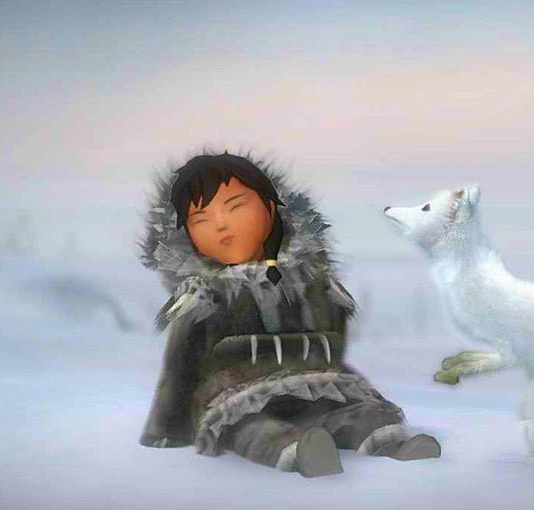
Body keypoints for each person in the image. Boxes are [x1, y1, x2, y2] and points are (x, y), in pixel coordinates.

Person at [137, 151, 440, 477]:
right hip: (236, 396)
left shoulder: (309, 281)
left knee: (359, 411)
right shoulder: (203, 297)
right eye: (201, 220)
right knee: (250, 427)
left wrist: (329, 362)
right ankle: (297, 452)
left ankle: (390, 441)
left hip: (313, 384)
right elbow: (180, 366)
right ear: (186, 235)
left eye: (236, 206)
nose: (221, 224)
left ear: (271, 209)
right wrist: (166, 428)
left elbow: (334, 333)